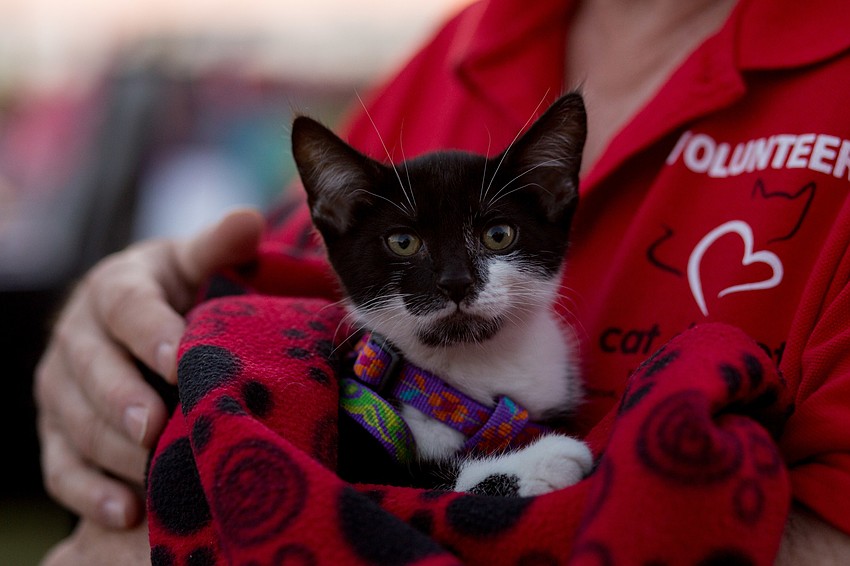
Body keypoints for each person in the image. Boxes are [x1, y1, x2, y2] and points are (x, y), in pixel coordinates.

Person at [36, 0, 850, 563]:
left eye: (495, 235)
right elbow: (285, 285)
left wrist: (200, 545)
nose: (456, 280)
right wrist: (147, 294)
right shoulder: (467, 40)